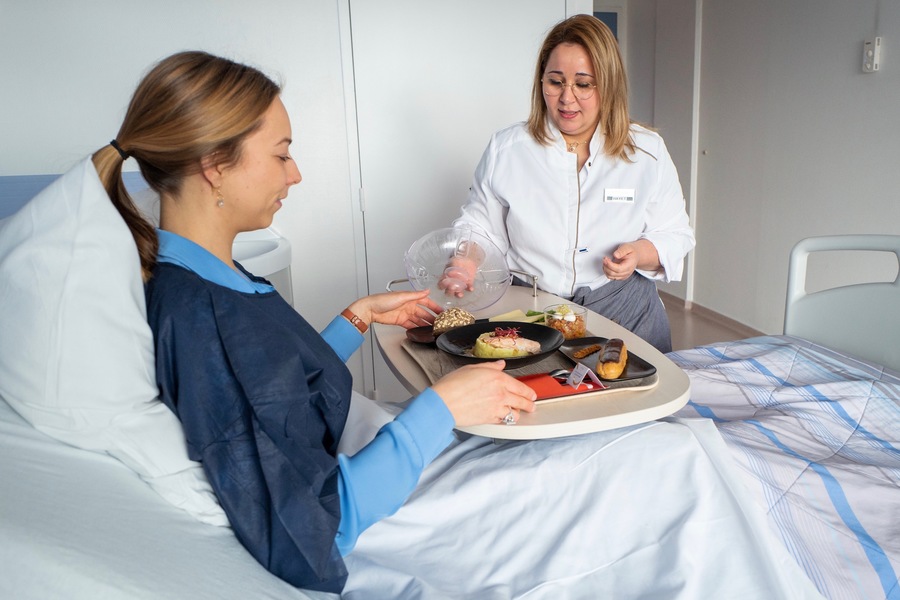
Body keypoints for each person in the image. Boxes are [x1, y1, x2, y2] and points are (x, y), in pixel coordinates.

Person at [92, 50, 536, 593]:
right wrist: (440, 409)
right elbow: (315, 525)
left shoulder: (201, 271)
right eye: (282, 155)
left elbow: (273, 390)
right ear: (214, 165)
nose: (295, 174)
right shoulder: (199, 316)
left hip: (368, 442)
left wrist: (356, 319)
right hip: (380, 495)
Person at [446, 14, 695, 353]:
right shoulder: (508, 149)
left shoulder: (646, 151)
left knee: (637, 402)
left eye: (583, 83)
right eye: (555, 82)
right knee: (543, 402)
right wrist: (464, 262)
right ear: (541, 82)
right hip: (533, 312)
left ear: (608, 85)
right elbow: (479, 225)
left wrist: (637, 254)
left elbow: (676, 235)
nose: (567, 98)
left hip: (627, 314)